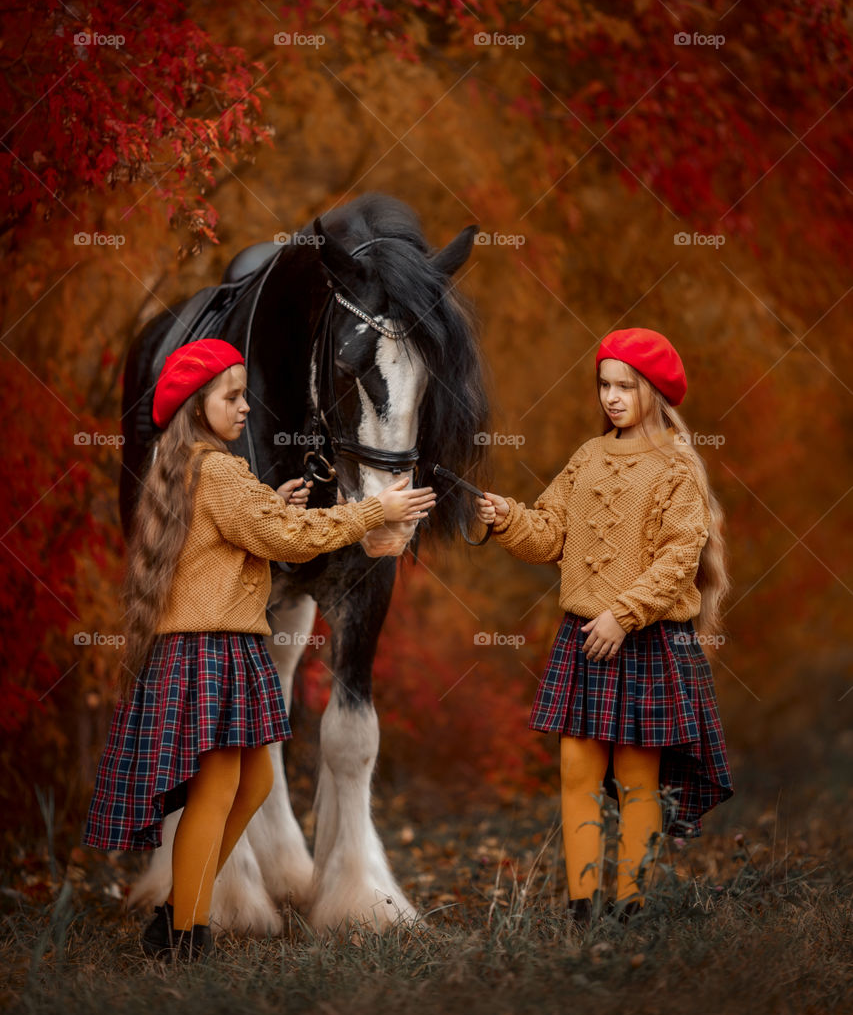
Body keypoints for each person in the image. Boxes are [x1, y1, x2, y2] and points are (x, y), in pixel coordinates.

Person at [81, 337, 435, 962]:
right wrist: (370, 510)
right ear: (198, 405)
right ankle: (185, 932)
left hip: (223, 647)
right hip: (211, 650)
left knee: (255, 782)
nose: (245, 407)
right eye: (232, 396)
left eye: (245, 395)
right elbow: (286, 542)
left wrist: (271, 506)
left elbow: (238, 536)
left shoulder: (196, 468)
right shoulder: (217, 471)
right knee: (218, 792)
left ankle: (178, 908)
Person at [474, 327, 734, 929]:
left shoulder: (676, 466)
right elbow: (549, 535)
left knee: (637, 777)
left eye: (625, 387)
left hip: (644, 638)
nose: (611, 398)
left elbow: (678, 559)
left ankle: (631, 907)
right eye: (604, 385)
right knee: (576, 771)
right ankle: (582, 908)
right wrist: (508, 517)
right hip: (583, 636)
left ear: (654, 391)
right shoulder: (588, 456)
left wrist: (624, 614)